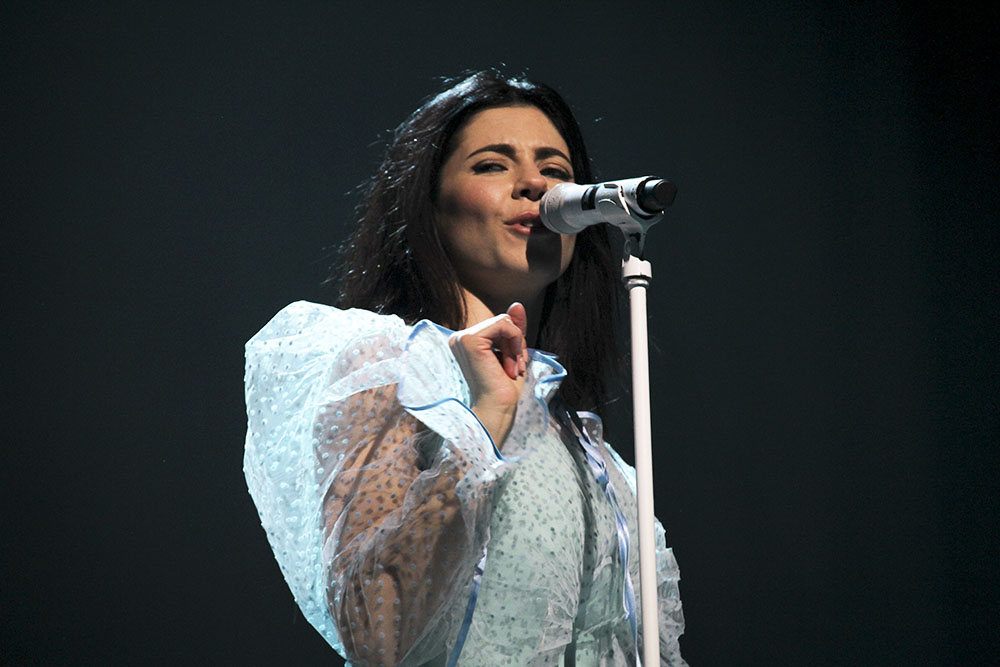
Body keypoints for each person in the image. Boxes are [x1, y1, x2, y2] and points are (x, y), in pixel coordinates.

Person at [244, 70, 685, 666]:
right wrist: (481, 427)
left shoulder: (601, 464)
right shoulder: (386, 367)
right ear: (429, 202)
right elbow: (373, 628)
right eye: (492, 165)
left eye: (555, 170)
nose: (535, 184)